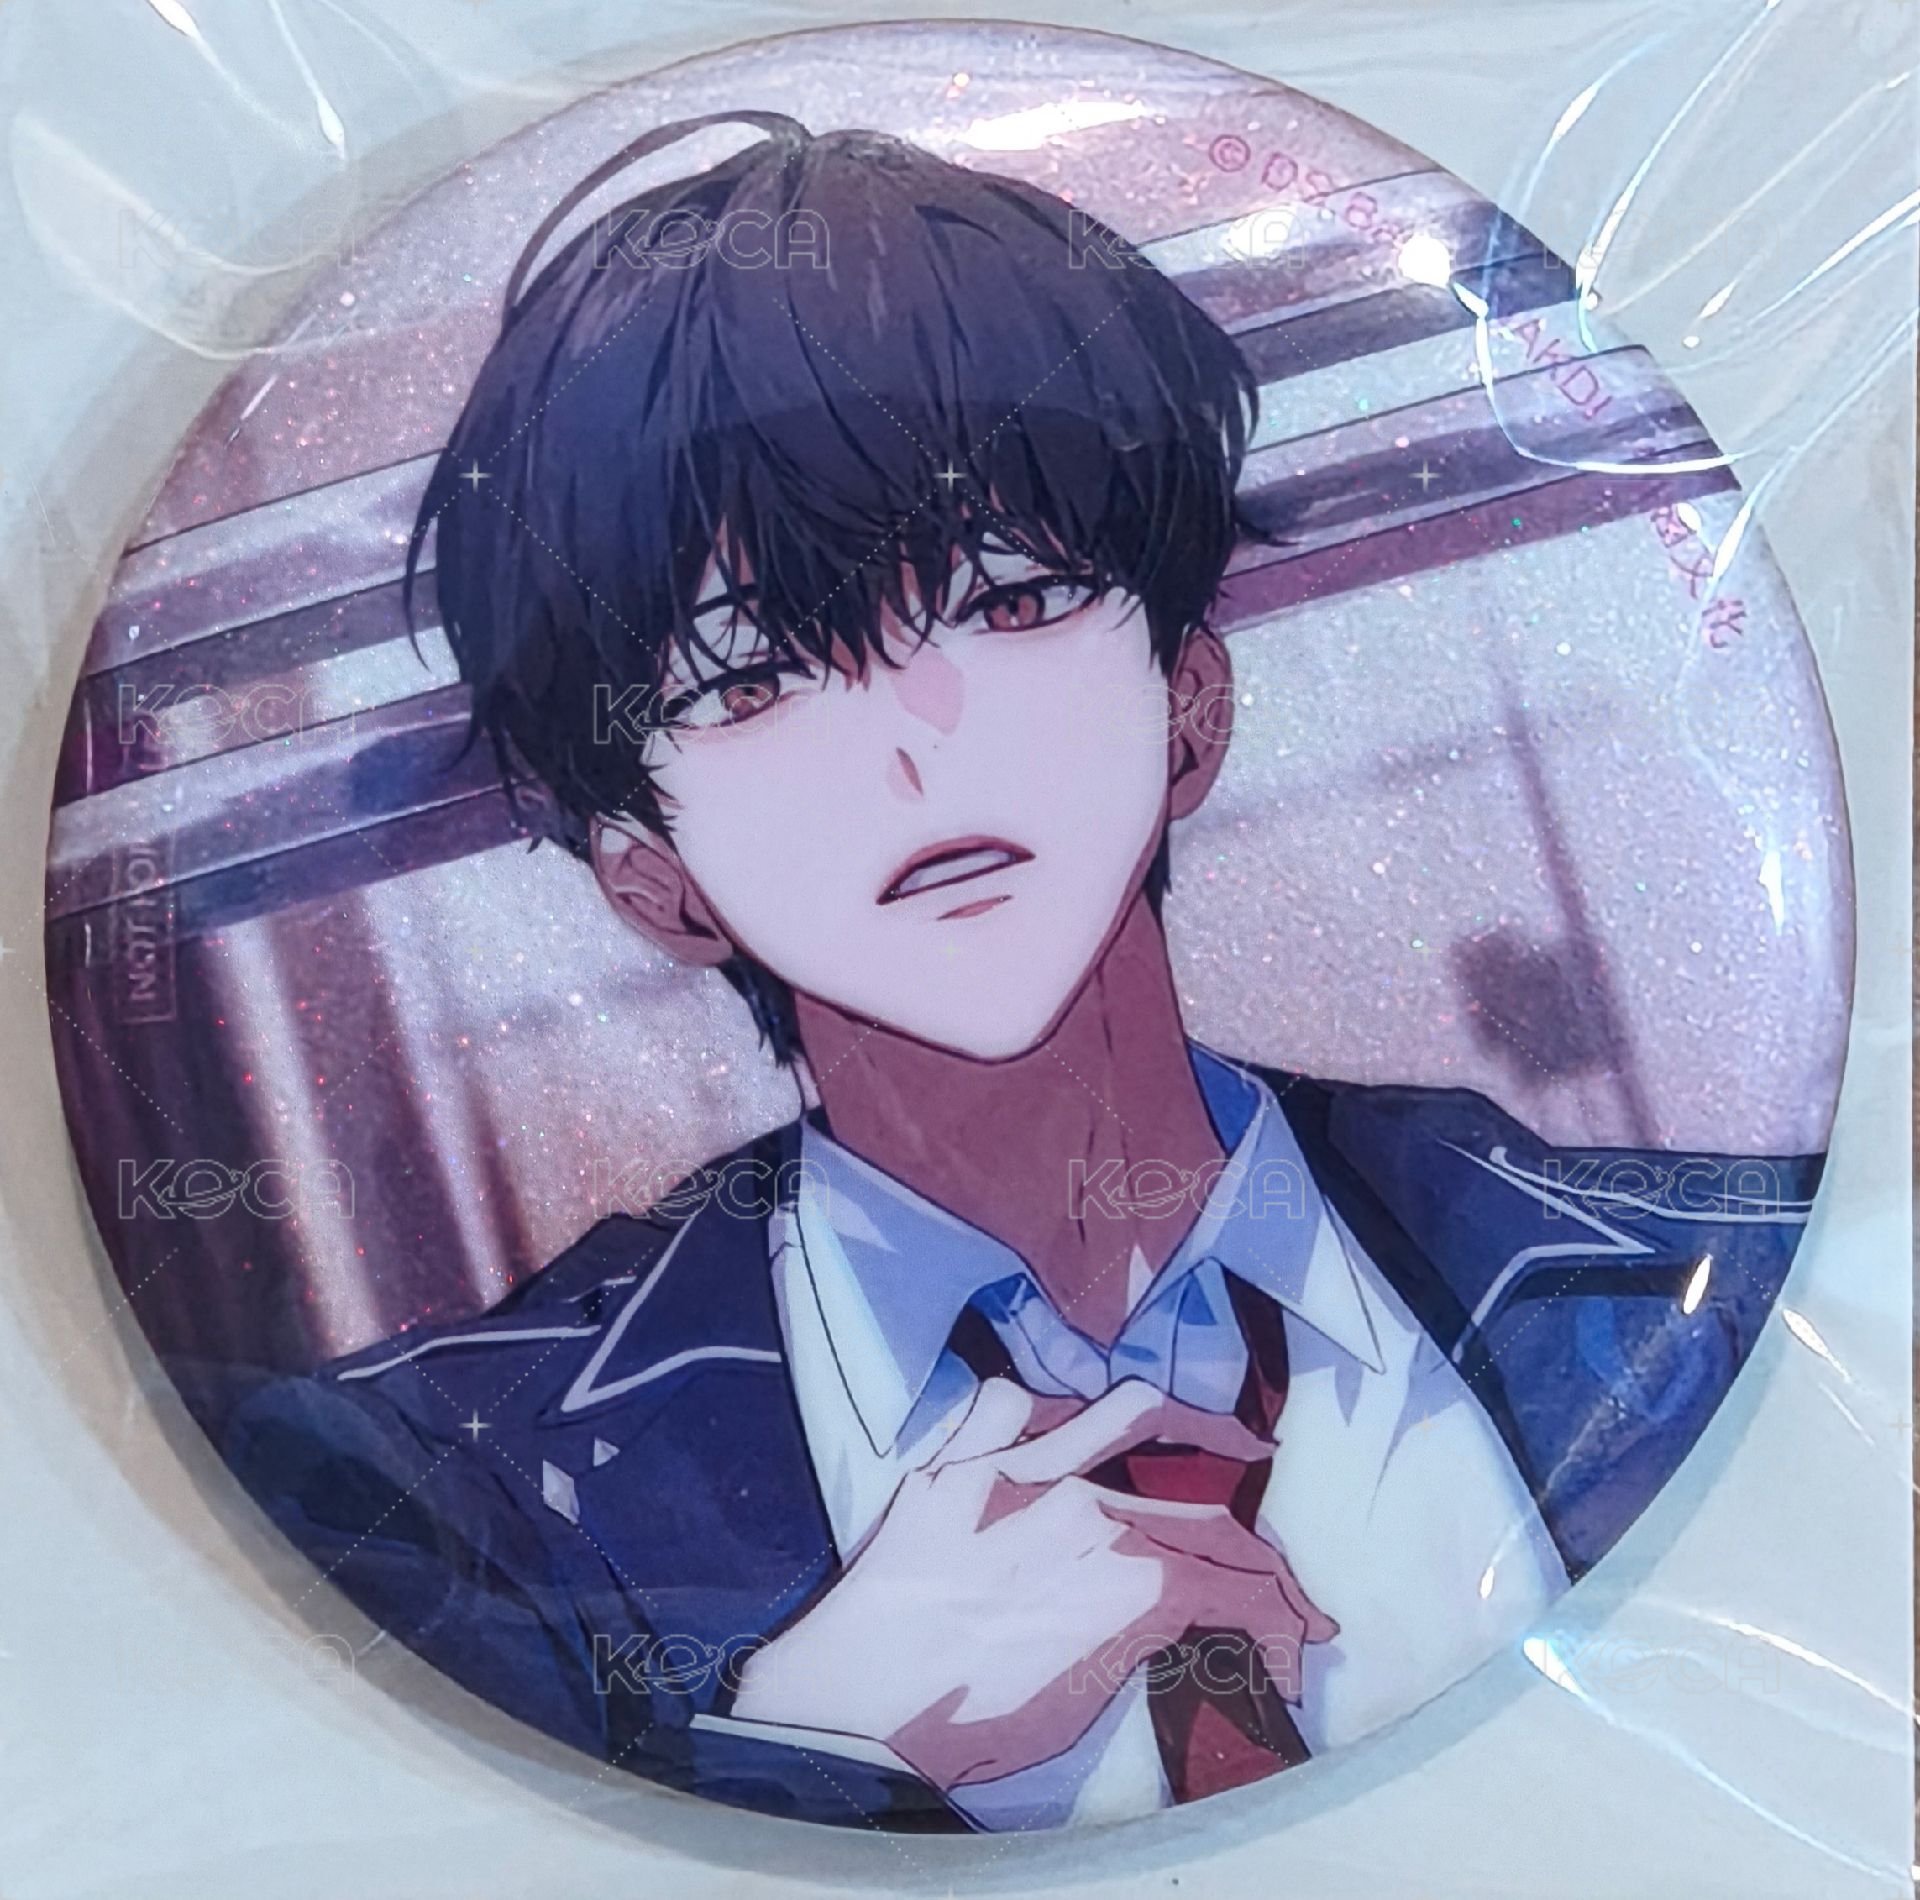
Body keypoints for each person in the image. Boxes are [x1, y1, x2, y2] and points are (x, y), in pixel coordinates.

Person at [192, 114, 1821, 1831]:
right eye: (750, 681)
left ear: (1189, 707)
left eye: (1015, 599)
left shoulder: (1707, 1283)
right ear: (650, 881)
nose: (920, 746)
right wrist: (816, 1741)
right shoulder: (442, 1490)